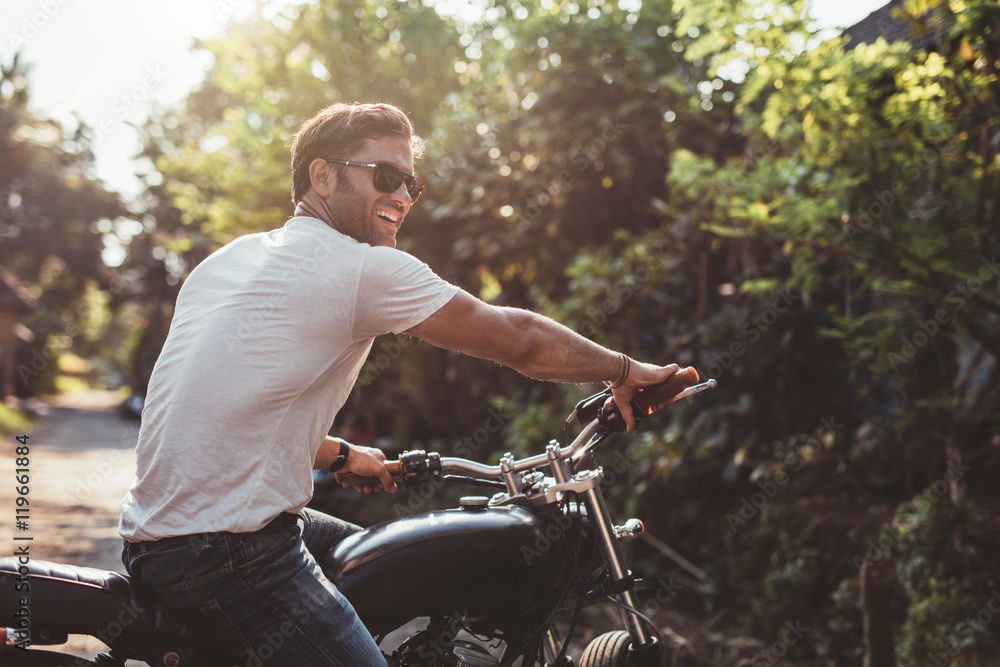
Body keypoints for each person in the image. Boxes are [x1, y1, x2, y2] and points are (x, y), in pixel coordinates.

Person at [119, 102, 679, 667]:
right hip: (228, 551)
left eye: (412, 183)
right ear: (322, 176)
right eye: (386, 177)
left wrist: (338, 455)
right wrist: (628, 372)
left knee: (390, 565)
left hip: (166, 537)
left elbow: (221, 410)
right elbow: (519, 340)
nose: (404, 196)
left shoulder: (229, 260)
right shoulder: (360, 267)